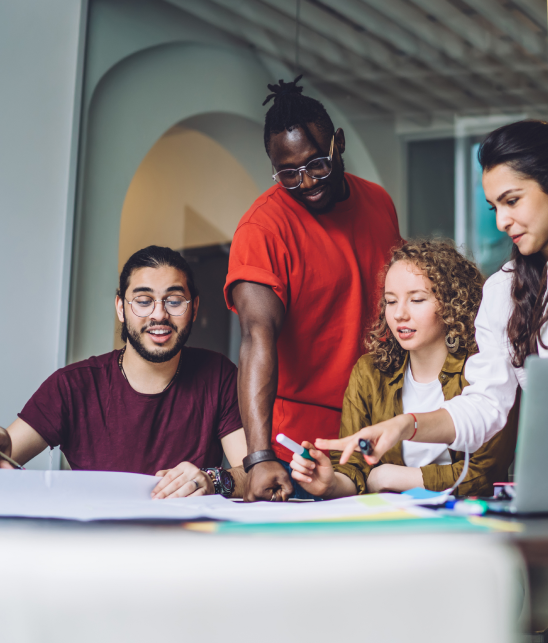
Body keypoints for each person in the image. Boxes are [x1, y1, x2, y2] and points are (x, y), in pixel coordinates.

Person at [319, 121, 548, 643]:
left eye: (512, 200)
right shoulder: (505, 290)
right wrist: (407, 424)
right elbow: (486, 406)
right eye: (494, 206)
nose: (503, 220)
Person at [225, 76, 401, 502]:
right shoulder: (263, 229)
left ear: (337, 143)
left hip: (377, 432)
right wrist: (259, 456)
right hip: (300, 450)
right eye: (288, 174)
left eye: (317, 164)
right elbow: (255, 338)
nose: (306, 182)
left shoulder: (378, 201)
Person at [0, 246, 246, 500]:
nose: (159, 314)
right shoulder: (71, 386)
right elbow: (5, 457)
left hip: (187, 536)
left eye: (173, 301)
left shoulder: (219, 376)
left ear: (194, 308)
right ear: (120, 307)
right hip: (96, 536)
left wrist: (213, 480)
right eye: (143, 301)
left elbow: (253, 475)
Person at [289, 240, 519, 498]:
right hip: (391, 525)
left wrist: (391, 477)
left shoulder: (486, 369)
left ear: (453, 302)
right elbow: (354, 469)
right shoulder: (369, 372)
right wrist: (331, 483)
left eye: (417, 299)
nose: (399, 314)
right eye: (390, 301)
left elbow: (484, 476)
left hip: (464, 523)